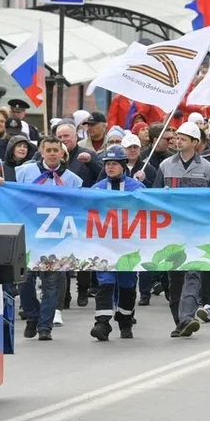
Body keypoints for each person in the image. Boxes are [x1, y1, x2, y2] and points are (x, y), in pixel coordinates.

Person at [15, 136, 84, 340]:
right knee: (25, 280)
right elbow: (15, 196)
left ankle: (45, 326)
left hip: (57, 236)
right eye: (49, 150)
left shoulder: (72, 179)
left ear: (62, 154)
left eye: (56, 150)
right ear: (42, 152)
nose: (53, 153)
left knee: (52, 283)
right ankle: (33, 316)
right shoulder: (25, 172)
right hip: (30, 234)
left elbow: (78, 205)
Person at [153, 121, 210, 338]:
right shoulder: (165, 166)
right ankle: (180, 322)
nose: (177, 140)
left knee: (193, 273)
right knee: (175, 279)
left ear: (195, 143)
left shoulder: (207, 168)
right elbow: (155, 197)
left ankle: (188, 318)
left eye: (182, 138)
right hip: (172, 230)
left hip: (196, 231)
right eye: (176, 137)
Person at [89, 145, 145, 342]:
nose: (110, 167)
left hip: (129, 246)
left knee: (127, 284)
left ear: (123, 166)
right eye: (107, 164)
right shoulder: (96, 189)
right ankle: (102, 323)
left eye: (114, 164)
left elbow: (150, 210)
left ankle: (125, 320)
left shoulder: (137, 188)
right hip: (103, 245)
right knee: (105, 282)